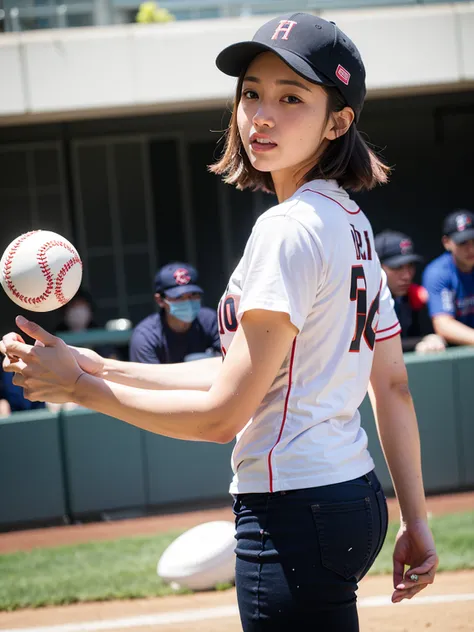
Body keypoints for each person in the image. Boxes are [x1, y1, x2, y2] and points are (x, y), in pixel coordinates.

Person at [1, 13, 437, 631]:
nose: (262, 114)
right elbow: (386, 385)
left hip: (292, 508)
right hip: (350, 495)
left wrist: (79, 390)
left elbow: (222, 416)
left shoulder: (286, 229)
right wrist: (93, 363)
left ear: (338, 121)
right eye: (252, 92)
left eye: (292, 97)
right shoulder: (351, 222)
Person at [129, 262, 221, 364]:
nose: (188, 302)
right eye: (178, 297)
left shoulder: (211, 321)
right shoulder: (146, 336)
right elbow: (150, 379)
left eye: (193, 294)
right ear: (160, 300)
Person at [374, 230, 445, 353]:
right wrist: (419, 342)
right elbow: (374, 347)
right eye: (397, 267)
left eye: (410, 266)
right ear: (376, 266)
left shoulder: (415, 296)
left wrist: (430, 338)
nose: (406, 276)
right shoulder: (365, 302)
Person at [423, 210, 474, 347]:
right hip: (453, 353)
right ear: (447, 242)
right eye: (463, 242)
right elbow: (444, 325)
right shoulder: (438, 272)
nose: (471, 249)